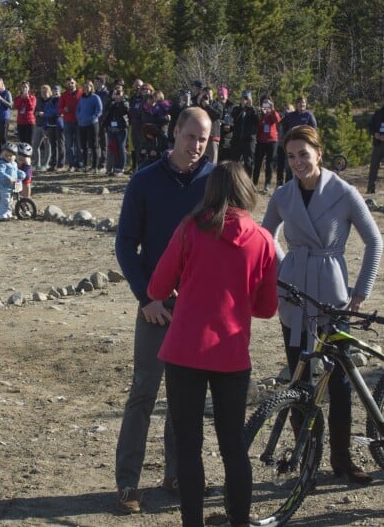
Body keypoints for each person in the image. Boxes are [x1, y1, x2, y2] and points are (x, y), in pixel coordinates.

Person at [147, 161, 278, 527]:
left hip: (185, 350)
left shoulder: (191, 228)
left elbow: (157, 288)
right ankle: (239, 520)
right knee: (234, 447)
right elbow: (267, 309)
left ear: (212, 191)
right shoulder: (264, 239)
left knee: (189, 447)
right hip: (232, 354)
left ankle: (192, 522)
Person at [262, 125, 383, 485]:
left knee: (341, 381)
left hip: (333, 296)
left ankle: (342, 459)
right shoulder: (283, 195)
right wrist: (287, 265)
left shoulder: (344, 192)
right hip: (295, 295)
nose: (297, 161)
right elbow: (265, 236)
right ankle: (305, 461)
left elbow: (375, 241)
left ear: (319, 153)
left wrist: (360, 291)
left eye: (303, 154)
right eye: (291, 155)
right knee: (300, 378)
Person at [114, 107, 216, 514]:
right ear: (175, 133)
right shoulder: (145, 182)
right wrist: (146, 299)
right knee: (143, 393)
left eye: (203, 139)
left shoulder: (214, 182)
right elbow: (125, 244)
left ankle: (178, 474)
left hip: (199, 308)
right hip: (156, 306)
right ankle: (127, 483)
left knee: (186, 398)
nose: (195, 146)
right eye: (190, 137)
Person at [252, 95, 280, 193]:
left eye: (268, 102)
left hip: (272, 141)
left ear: (271, 103)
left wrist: (272, 110)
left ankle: (267, 185)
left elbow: (277, 120)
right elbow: (257, 124)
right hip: (261, 140)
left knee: (270, 163)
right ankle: (254, 183)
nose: (266, 104)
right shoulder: (260, 112)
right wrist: (262, 115)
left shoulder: (273, 112)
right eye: (264, 102)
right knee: (257, 163)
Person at [76, 80, 103, 172]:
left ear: (91, 87)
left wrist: (93, 118)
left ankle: (94, 166)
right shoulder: (82, 98)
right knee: (84, 146)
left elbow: (99, 110)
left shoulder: (95, 97)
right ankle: (85, 165)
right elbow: (78, 109)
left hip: (92, 124)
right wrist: (79, 117)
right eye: (85, 87)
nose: (86, 88)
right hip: (82, 124)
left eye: (88, 87)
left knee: (93, 145)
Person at [231, 90, 259, 176]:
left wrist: (251, 107)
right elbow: (234, 117)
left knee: (248, 162)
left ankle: (247, 181)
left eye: (247, 98)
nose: (245, 100)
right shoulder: (236, 109)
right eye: (244, 98)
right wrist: (241, 107)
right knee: (235, 161)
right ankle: (234, 179)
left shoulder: (254, 110)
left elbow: (258, 120)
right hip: (237, 139)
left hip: (249, 140)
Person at [102, 84, 129, 175]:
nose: (117, 94)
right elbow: (106, 109)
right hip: (111, 128)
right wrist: (112, 99)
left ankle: (121, 168)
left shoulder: (125, 102)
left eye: (119, 92)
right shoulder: (111, 101)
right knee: (112, 148)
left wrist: (120, 100)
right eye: (115, 91)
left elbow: (124, 111)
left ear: (123, 93)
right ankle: (113, 167)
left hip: (121, 129)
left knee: (121, 148)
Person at [0, 141, 25, 221]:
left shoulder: (13, 163)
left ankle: (8, 214)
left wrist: (20, 173)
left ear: (15, 156)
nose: (8, 157)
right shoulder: (1, 163)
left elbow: (15, 171)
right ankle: (2, 215)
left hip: (12, 186)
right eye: (6, 155)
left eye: (10, 156)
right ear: (2, 154)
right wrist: (8, 177)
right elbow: (0, 173)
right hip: (4, 186)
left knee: (10, 201)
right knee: (5, 201)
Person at [59, 77, 82, 171]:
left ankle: (79, 164)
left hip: (79, 121)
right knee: (69, 144)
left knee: (79, 144)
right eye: (68, 83)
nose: (70, 85)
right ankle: (71, 164)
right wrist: (64, 110)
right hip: (68, 121)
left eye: (72, 83)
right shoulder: (64, 95)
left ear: (75, 83)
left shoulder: (81, 93)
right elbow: (59, 108)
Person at [198, 87, 223, 164]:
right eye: (206, 93)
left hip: (213, 136)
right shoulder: (201, 105)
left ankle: (211, 176)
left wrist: (207, 106)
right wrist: (199, 103)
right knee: (200, 160)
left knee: (212, 161)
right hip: (202, 136)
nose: (208, 95)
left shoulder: (217, 104)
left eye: (210, 93)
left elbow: (218, 115)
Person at [44, 85, 65, 171]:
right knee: (53, 145)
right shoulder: (50, 101)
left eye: (56, 91)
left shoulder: (62, 100)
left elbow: (59, 111)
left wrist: (52, 112)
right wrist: (45, 127)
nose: (55, 92)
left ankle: (60, 164)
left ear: (59, 92)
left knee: (60, 145)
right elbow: (46, 112)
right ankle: (53, 163)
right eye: (53, 91)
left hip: (59, 125)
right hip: (50, 125)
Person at [32, 85, 52, 171]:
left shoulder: (52, 101)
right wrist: (36, 113)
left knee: (47, 145)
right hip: (38, 125)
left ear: (49, 92)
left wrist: (44, 114)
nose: (43, 93)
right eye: (42, 92)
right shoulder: (39, 100)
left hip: (47, 126)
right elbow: (34, 111)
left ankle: (46, 164)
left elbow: (53, 112)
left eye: (45, 91)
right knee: (35, 145)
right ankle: (37, 163)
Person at [366, 102, 384, 194]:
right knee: (374, 167)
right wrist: (375, 134)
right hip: (378, 144)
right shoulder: (378, 114)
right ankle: (370, 189)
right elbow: (370, 127)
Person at [94, 74, 111, 172]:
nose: (94, 84)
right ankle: (97, 162)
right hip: (95, 121)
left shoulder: (107, 94)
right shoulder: (95, 93)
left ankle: (103, 163)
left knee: (104, 143)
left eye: (96, 82)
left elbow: (106, 108)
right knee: (96, 142)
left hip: (104, 121)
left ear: (100, 82)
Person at [217, 87, 234, 162]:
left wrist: (230, 125)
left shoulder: (232, 107)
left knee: (225, 162)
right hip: (217, 136)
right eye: (220, 94)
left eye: (223, 94)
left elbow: (235, 122)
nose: (221, 96)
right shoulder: (215, 105)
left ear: (227, 96)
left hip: (228, 139)